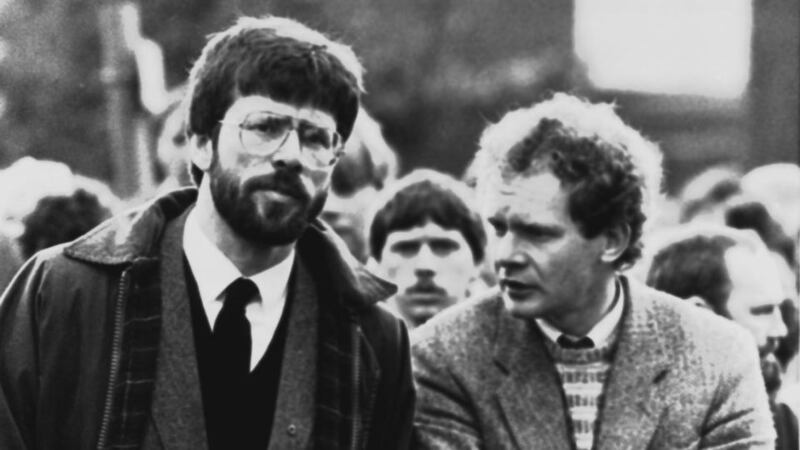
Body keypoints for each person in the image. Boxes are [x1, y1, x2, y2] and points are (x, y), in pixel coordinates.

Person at [0, 16, 414, 450]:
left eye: (316, 138)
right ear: (200, 142)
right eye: (265, 127)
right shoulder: (66, 295)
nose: (291, 156)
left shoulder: (373, 341)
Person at [411, 93, 775, 449]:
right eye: (500, 229)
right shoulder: (443, 355)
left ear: (613, 240)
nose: (506, 255)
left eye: (537, 234)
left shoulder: (717, 354)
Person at [646, 225, 797, 450]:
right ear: (700, 317)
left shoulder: (780, 422)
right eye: (762, 311)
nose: (780, 330)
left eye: (779, 309)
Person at [366, 169, 486, 329]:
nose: (425, 266)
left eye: (444, 247)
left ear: (478, 262)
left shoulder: (509, 348)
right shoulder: (348, 347)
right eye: (406, 248)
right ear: (375, 265)